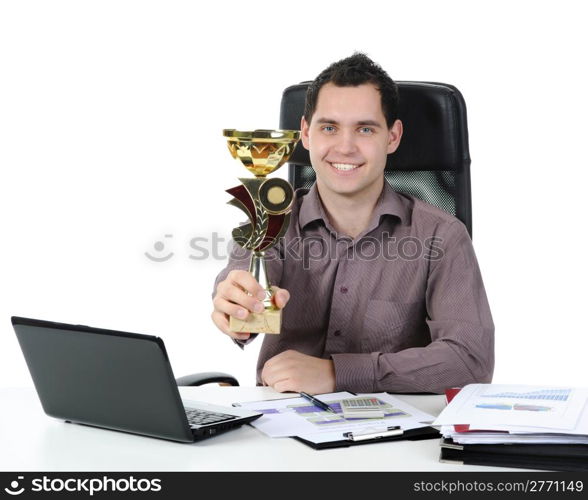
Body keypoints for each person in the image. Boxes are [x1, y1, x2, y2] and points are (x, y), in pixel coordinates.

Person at [211, 53, 494, 395]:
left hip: (393, 437)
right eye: (329, 127)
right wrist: (238, 306)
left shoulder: (442, 235)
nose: (345, 147)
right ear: (305, 133)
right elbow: (245, 278)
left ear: (392, 137)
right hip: (281, 430)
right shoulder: (268, 220)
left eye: (364, 129)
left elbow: (469, 361)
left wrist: (337, 374)